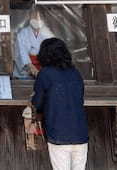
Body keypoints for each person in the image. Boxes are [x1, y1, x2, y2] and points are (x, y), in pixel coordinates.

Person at [32, 38, 88, 170]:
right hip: (80, 133)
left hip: (58, 132)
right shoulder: (75, 73)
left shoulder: (45, 74)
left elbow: (37, 103)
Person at [15, 9, 54, 79]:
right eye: (34, 16)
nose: (36, 19)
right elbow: (22, 52)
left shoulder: (48, 33)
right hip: (27, 68)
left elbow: (53, 51)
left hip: (45, 67)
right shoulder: (22, 33)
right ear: (29, 17)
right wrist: (31, 67)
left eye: (39, 17)